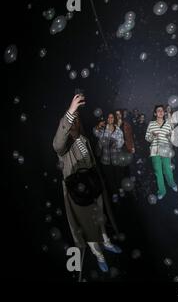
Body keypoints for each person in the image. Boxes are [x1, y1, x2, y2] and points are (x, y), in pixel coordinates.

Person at [53, 94, 121, 273]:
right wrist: (70, 112)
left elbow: (91, 161)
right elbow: (57, 143)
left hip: (93, 186)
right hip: (78, 193)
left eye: (76, 120)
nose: (74, 123)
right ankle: (98, 254)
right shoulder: (63, 147)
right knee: (88, 227)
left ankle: (106, 242)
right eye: (71, 121)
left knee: (100, 218)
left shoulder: (84, 139)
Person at [145, 105, 178, 199]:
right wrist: (152, 136)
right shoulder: (151, 124)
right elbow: (147, 138)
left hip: (165, 149)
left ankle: (172, 184)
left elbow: (173, 137)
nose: (160, 112)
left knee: (167, 169)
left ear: (164, 113)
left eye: (162, 110)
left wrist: (170, 137)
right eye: (158, 110)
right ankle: (162, 191)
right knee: (158, 172)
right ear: (155, 113)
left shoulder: (168, 124)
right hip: (154, 150)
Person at [93, 113, 125, 198]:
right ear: (107, 119)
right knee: (109, 177)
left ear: (114, 119)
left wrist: (116, 144)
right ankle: (114, 192)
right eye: (109, 117)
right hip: (105, 158)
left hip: (116, 157)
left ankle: (120, 189)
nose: (110, 118)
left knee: (118, 175)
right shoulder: (103, 129)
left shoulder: (118, 130)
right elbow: (95, 133)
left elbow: (121, 142)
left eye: (112, 117)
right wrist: (98, 126)